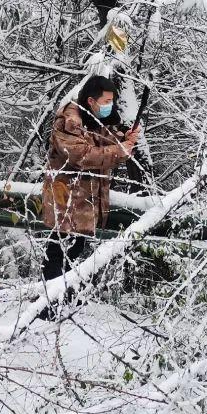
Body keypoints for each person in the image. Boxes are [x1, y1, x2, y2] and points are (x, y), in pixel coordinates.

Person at [39, 75, 141, 317]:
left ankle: (64, 300)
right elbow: (84, 155)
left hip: (85, 201)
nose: (110, 106)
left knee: (74, 251)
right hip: (67, 198)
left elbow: (102, 141)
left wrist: (124, 139)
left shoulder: (92, 117)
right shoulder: (70, 121)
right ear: (91, 100)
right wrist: (121, 150)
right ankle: (47, 306)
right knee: (58, 251)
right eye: (106, 101)